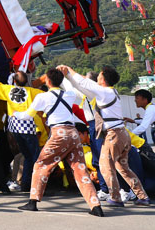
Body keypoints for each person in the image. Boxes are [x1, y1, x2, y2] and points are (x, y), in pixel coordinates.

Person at [14, 68, 103, 216]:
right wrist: (66, 74)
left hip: (58, 133)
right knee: (80, 169)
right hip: (73, 133)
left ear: (47, 81)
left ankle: (33, 201)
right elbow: (70, 86)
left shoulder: (43, 97)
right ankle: (95, 206)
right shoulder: (69, 94)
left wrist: (15, 114)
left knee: (41, 165)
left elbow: (26, 116)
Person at [59, 65, 150, 206]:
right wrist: (69, 77)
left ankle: (115, 197)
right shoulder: (110, 92)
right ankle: (142, 196)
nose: (98, 78)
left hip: (113, 135)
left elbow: (83, 83)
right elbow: (82, 87)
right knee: (123, 167)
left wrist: (68, 70)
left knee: (105, 166)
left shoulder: (104, 92)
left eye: (100, 76)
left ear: (103, 79)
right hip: (122, 134)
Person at [0, 66, 44, 193]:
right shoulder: (32, 92)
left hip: (14, 129)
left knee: (26, 156)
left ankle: (25, 184)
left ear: (14, 81)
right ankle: (33, 185)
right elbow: (47, 96)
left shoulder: (9, 90)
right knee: (34, 157)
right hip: (29, 128)